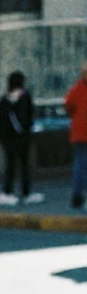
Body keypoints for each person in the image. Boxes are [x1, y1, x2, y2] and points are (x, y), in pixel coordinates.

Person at [0, 71, 44, 205]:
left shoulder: (4, 99)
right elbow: (30, 116)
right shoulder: (25, 97)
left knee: (10, 165)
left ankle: (7, 192)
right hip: (22, 137)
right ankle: (26, 192)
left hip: (7, 138)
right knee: (24, 164)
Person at [63, 62, 87, 208]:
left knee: (79, 163)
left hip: (78, 132)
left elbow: (68, 105)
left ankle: (77, 195)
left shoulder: (77, 88)